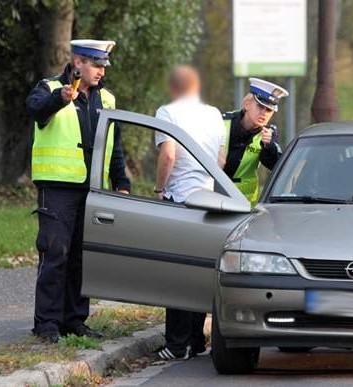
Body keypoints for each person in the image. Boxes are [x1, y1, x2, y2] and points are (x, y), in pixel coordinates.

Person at [26, 39, 130, 343]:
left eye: (103, 66)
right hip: (57, 187)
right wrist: (61, 98)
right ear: (77, 62)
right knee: (55, 252)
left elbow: (115, 145)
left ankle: (74, 320)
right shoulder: (49, 88)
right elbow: (35, 111)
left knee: (81, 258)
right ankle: (46, 323)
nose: (101, 72)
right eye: (96, 65)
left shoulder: (107, 99)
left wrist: (121, 182)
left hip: (92, 188)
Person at [154, 65, 226, 360]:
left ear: (173, 89)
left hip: (179, 200)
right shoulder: (214, 115)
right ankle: (197, 341)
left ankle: (176, 344)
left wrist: (160, 188)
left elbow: (168, 154)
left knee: (175, 274)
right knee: (198, 272)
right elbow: (220, 162)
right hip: (206, 200)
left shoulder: (167, 113)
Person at [222, 78, 288, 205]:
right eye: (260, 106)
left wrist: (268, 146)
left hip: (245, 203)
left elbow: (276, 166)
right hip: (214, 195)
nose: (264, 113)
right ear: (247, 104)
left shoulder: (268, 134)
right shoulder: (222, 122)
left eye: (269, 110)